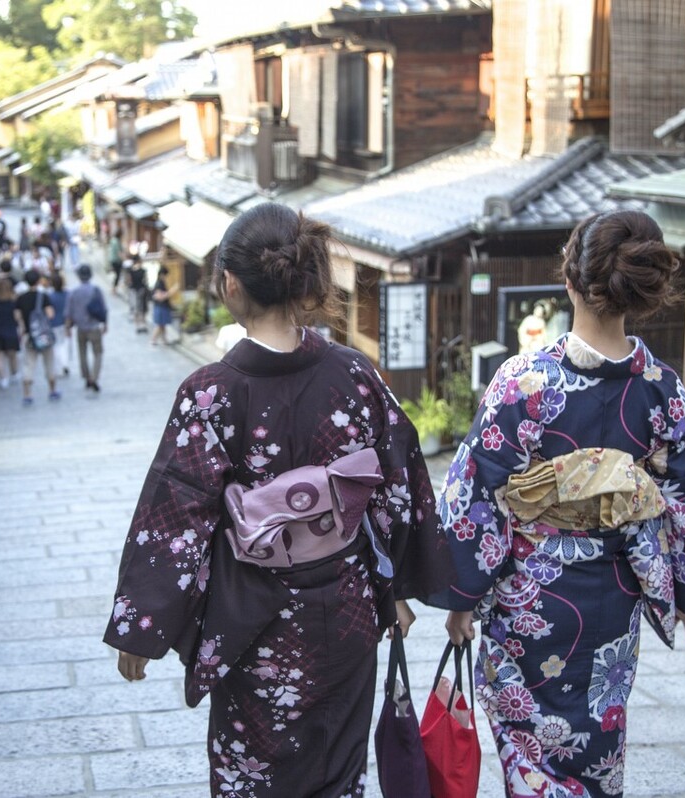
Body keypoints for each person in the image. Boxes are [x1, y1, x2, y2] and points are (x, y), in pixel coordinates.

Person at [106, 202, 451, 796]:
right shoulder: (355, 375)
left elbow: (177, 512)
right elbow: (398, 485)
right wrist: (391, 586)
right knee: (337, 773)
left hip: (255, 622)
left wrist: (143, 626)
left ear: (229, 284)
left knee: (255, 777)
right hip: (346, 611)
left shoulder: (211, 394)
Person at [441, 209, 685, 797]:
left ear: (568, 280)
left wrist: (462, 597)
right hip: (615, 593)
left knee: (530, 744)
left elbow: (477, 493)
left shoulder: (524, 381)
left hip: (530, 593)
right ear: (642, 293)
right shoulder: (661, 386)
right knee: (598, 735)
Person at [13, 269, 60, 404]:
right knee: (49, 362)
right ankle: (52, 391)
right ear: (39, 280)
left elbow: (17, 316)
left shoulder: (21, 298)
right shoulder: (43, 296)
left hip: (29, 335)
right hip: (44, 335)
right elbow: (50, 314)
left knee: (28, 363)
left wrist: (23, 326)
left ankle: (27, 394)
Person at [66, 263, 107, 392]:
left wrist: (68, 328)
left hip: (80, 328)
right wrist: (105, 324)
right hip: (94, 326)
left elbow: (68, 312)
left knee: (82, 353)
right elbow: (103, 308)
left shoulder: (74, 292)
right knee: (98, 353)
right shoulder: (96, 290)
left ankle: (87, 377)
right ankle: (94, 377)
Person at [45, 271, 71, 379]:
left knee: (56, 345)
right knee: (64, 344)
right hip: (65, 322)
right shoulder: (68, 295)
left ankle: (60, 366)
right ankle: (65, 364)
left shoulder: (50, 296)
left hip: (54, 323)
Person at [149, 266, 174, 346]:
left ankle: (164, 340)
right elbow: (159, 297)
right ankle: (153, 339)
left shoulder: (160, 282)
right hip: (160, 307)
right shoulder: (159, 283)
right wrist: (171, 292)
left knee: (162, 325)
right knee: (160, 325)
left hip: (162, 306)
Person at [127, 258, 148, 333]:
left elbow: (129, 281)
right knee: (142, 307)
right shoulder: (143, 270)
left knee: (136, 308)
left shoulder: (131, 271)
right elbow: (145, 280)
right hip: (141, 289)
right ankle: (143, 324)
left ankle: (137, 325)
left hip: (133, 290)